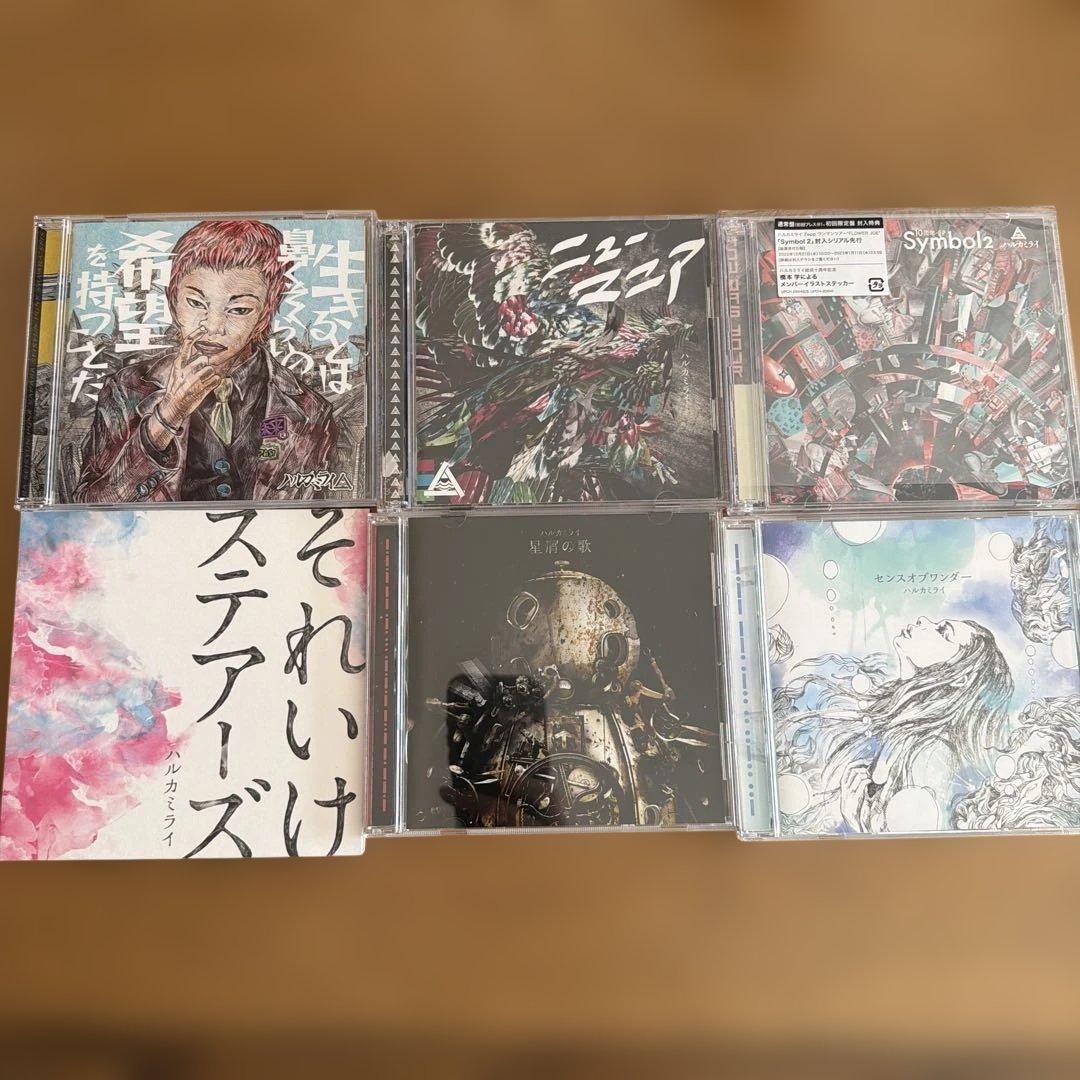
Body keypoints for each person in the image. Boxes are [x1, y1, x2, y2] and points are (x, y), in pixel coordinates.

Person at [73, 219, 337, 503]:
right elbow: (91, 506)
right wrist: (168, 416)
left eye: (239, 309)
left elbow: (318, 509)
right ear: (173, 300)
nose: (212, 327)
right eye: (196, 303)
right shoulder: (129, 388)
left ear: (265, 314)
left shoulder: (309, 409)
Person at [774, 616, 1013, 833]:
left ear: (961, 678)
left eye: (943, 631)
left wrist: (855, 822)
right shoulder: (897, 718)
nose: (923, 620)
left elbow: (919, 850)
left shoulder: (932, 752)